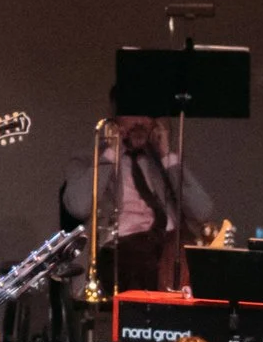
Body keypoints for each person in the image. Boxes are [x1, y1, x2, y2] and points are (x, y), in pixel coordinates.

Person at [59, 112, 214, 293]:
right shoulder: (88, 158)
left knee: (195, 260)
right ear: (115, 119)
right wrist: (111, 154)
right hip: (118, 254)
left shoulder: (160, 161)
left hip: (166, 250)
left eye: (147, 116)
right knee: (138, 254)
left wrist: (166, 155)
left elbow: (202, 211)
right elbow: (78, 207)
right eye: (132, 115)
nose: (139, 122)